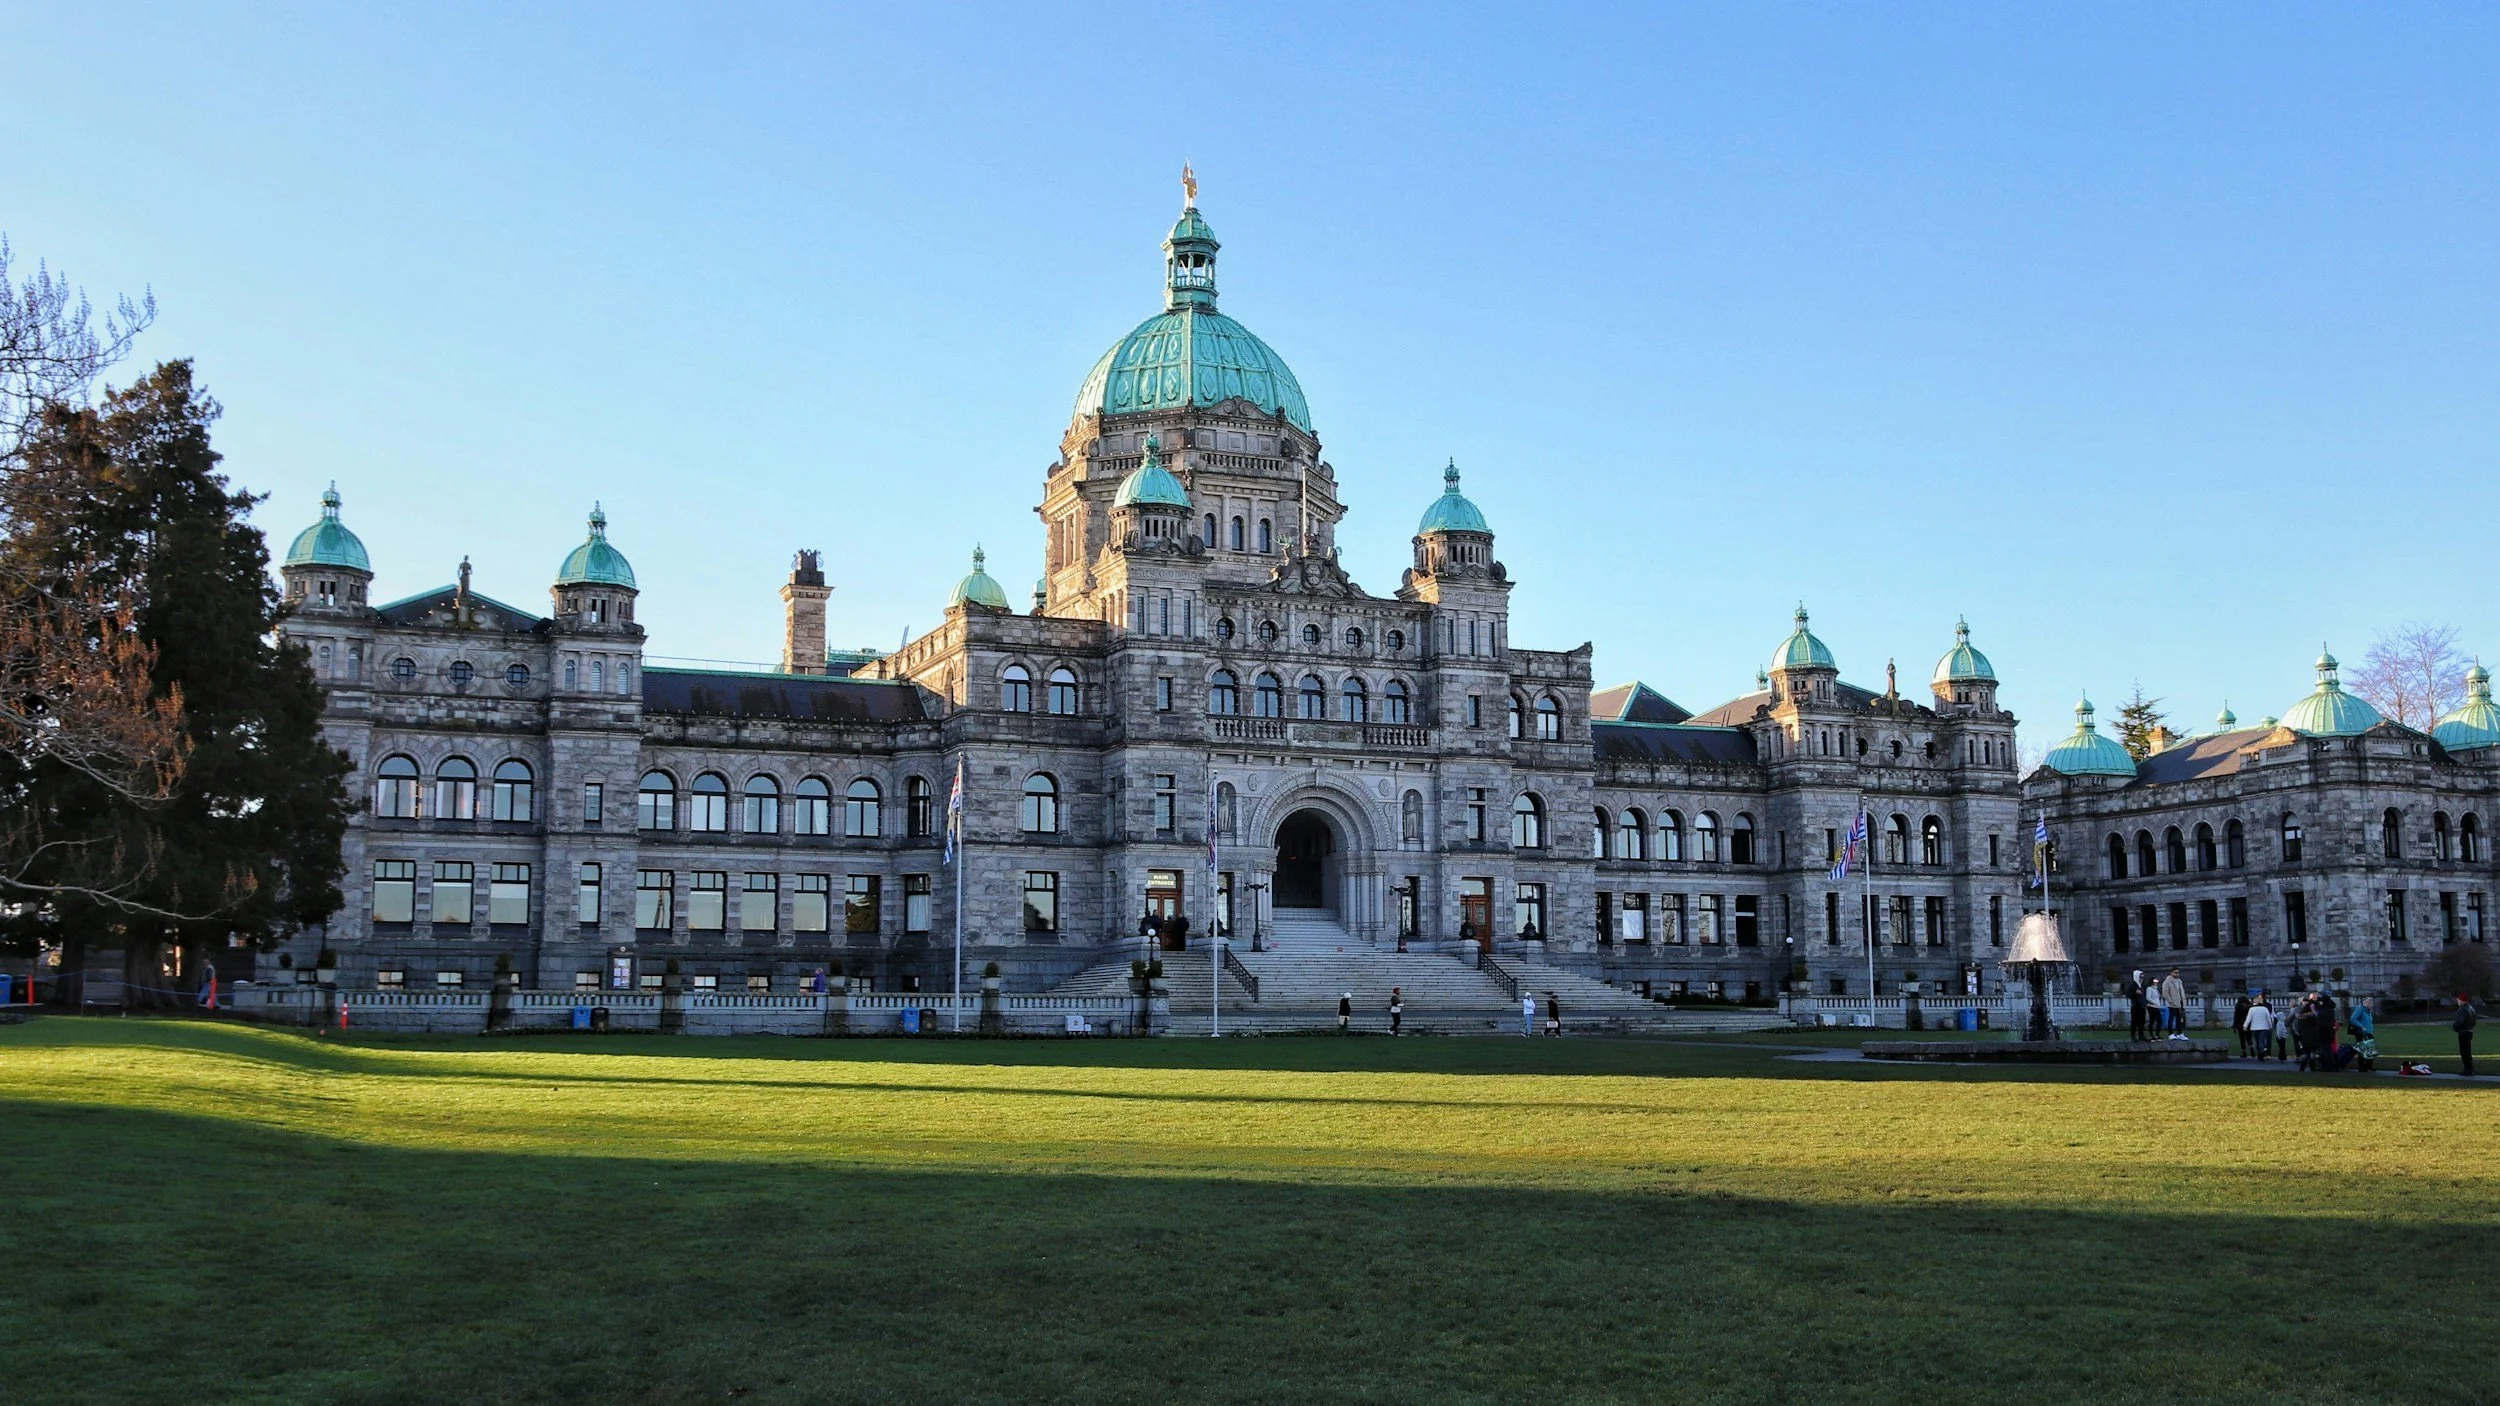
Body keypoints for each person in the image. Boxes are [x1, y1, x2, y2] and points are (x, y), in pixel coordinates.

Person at [2456, 993, 2484, 1076]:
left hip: (2463, 1032)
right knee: (2467, 1051)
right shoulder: (2471, 1008)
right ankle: (2469, 1068)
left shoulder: (2462, 1009)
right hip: (2469, 1031)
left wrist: (2455, 1027)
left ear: (2461, 1000)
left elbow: (2460, 1021)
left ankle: (2467, 1069)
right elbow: (2474, 1020)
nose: (2457, 1001)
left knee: (2464, 1052)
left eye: (2458, 999)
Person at [2348, 996, 2377, 1073]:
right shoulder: (2360, 1008)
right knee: (2363, 1049)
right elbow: (2353, 1019)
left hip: (2368, 1033)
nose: (2369, 1004)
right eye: (2367, 1002)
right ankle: (2362, 1067)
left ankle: (2369, 1066)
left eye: (2370, 1003)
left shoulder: (2368, 1011)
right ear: (2364, 1003)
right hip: (2362, 1033)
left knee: (2370, 1049)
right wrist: (2361, 1026)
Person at [2240, 994, 2272, 1060]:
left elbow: (2248, 1019)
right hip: (2264, 1027)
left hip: (2254, 1028)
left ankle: (2259, 1053)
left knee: (2257, 1041)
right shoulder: (2264, 1009)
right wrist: (2270, 1026)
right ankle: (2261, 1053)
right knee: (2262, 1041)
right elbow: (2268, 1018)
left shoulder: (2251, 1009)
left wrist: (2245, 1026)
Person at [2160, 970, 2189, 1037]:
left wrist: (2183, 1001)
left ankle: (2179, 1033)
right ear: (2171, 973)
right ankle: (2170, 1034)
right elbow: (2165, 993)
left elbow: (2182, 991)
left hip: (2179, 1002)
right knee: (2171, 1018)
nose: (2177, 974)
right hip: (2172, 1003)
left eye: (2178, 973)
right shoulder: (2167, 982)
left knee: (2179, 1019)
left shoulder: (2179, 981)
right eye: (2175, 972)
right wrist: (2171, 1001)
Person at [2126, 969, 2149, 1042]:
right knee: (2134, 1022)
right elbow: (2128, 995)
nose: (2141, 978)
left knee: (2142, 1022)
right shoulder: (2132, 985)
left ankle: (2141, 1036)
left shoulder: (2143, 984)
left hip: (2142, 1006)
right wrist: (2135, 993)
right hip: (2135, 1006)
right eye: (2140, 977)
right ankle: (2133, 1036)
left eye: (2142, 977)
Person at [2143, 974, 2167, 1042]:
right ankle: (2151, 1035)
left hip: (2156, 1006)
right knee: (2153, 1020)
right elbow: (2148, 997)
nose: (2156, 982)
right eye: (2154, 981)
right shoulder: (2149, 988)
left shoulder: (2155, 989)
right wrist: (2155, 1002)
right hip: (2151, 1007)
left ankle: (2157, 1035)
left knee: (2159, 1021)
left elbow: (2157, 997)